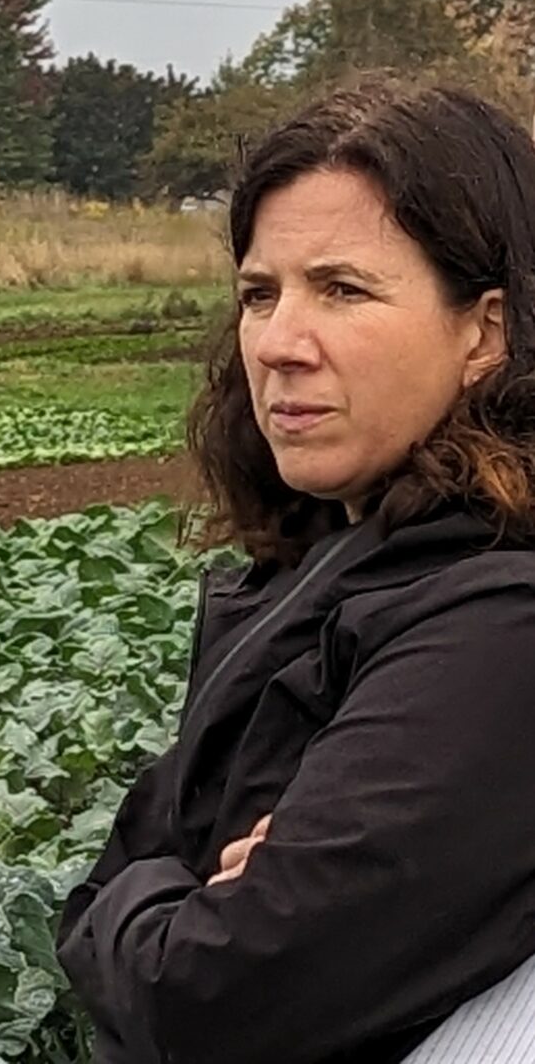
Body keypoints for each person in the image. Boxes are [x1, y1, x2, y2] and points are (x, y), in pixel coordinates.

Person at [54, 78, 535, 1064]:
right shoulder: (316, 569)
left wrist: (134, 899)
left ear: (482, 332)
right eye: (258, 293)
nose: (278, 345)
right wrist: (162, 895)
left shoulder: (498, 625)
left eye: (342, 290)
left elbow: (203, 1003)